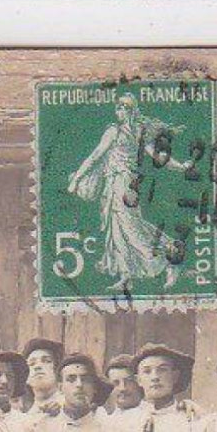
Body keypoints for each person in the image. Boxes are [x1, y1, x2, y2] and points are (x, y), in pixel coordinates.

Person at [66, 93, 194, 292]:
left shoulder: (131, 133)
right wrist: (77, 178)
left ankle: (169, 261)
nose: (119, 111)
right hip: (113, 184)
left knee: (131, 227)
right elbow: (95, 156)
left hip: (124, 184)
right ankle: (126, 276)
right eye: (117, 107)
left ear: (131, 111)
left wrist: (181, 166)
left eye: (123, 107)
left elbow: (159, 158)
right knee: (117, 229)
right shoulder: (118, 131)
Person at [100, 353, 145, 419]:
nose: (122, 388)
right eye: (116, 383)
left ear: (139, 381)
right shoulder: (106, 419)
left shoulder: (149, 415)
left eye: (129, 381)